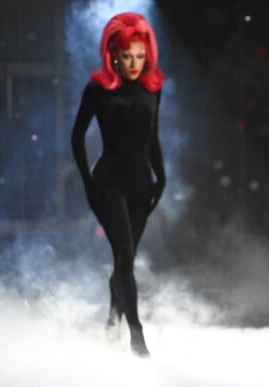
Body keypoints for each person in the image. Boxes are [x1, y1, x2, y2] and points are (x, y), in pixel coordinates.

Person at [71, 12, 166, 357]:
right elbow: (77, 136)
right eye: (127, 55)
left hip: (143, 183)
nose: (134, 63)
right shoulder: (97, 89)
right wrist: (86, 179)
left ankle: (113, 316)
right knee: (124, 256)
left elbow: (152, 138)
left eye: (140, 55)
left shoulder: (153, 88)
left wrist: (162, 176)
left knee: (124, 261)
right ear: (113, 55)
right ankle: (136, 337)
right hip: (107, 183)